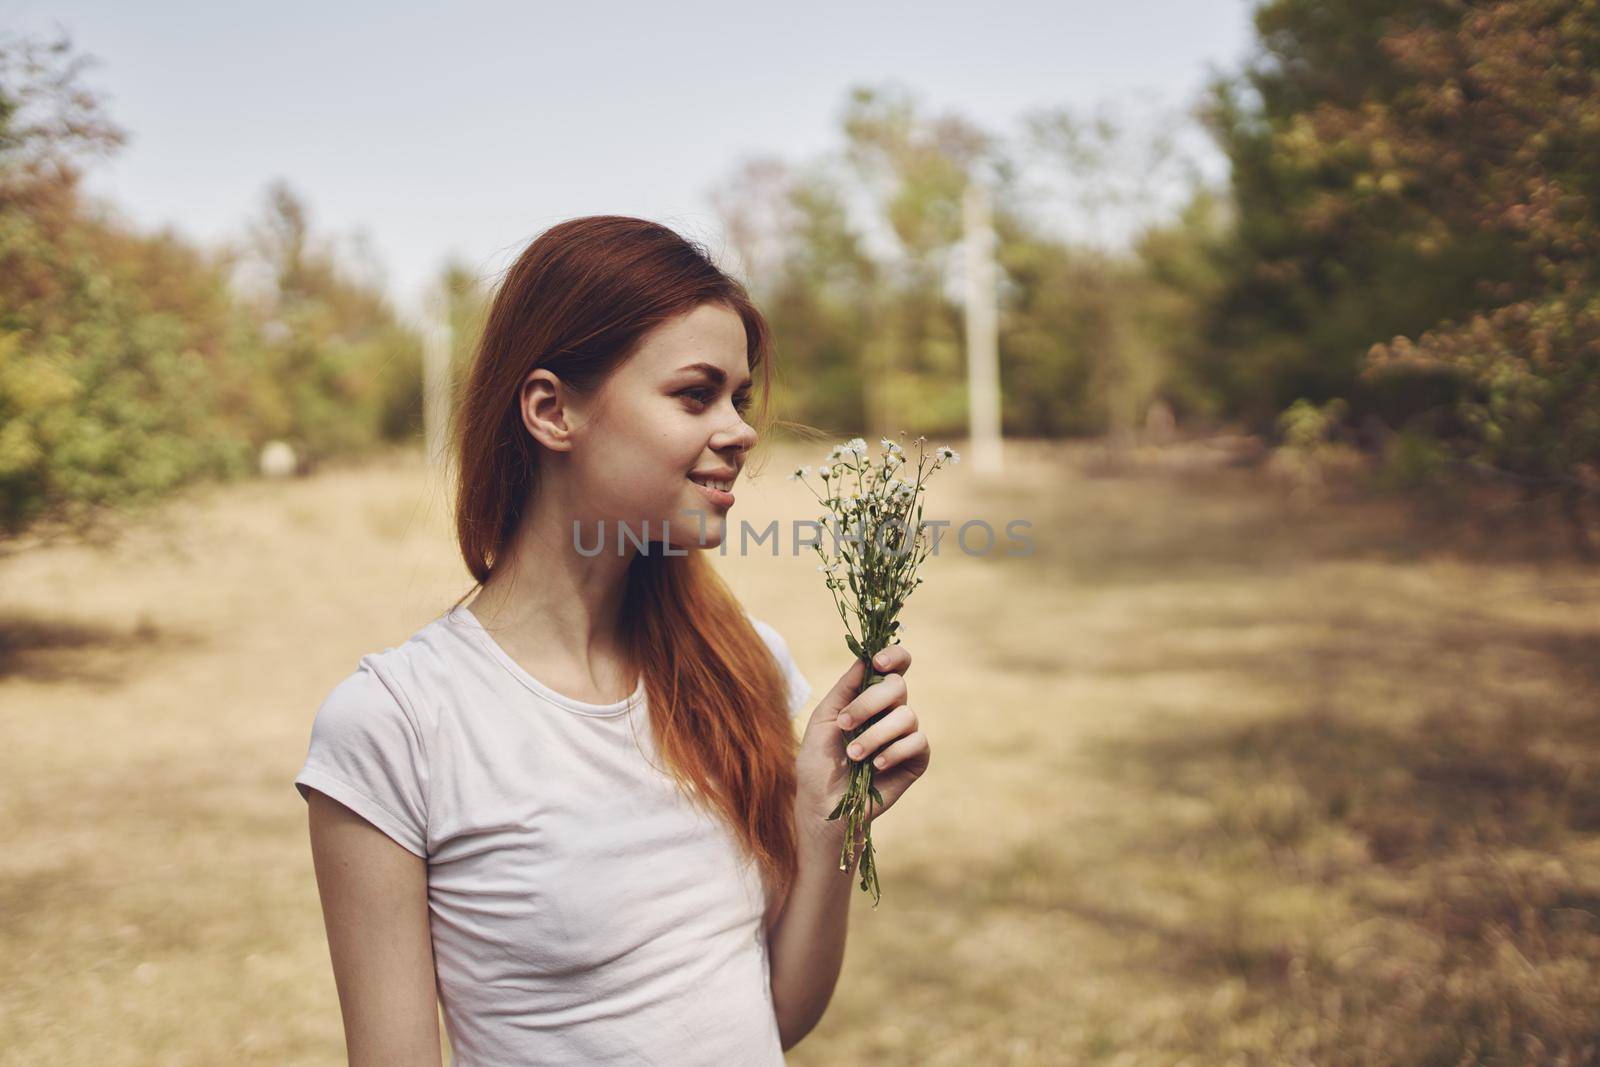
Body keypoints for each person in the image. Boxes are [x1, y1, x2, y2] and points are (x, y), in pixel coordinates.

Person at [293, 215, 932, 1066]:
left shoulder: (747, 665)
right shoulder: (396, 724)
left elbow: (773, 1015)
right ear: (553, 410)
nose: (740, 430)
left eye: (738, 397)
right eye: (695, 393)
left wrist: (829, 821)